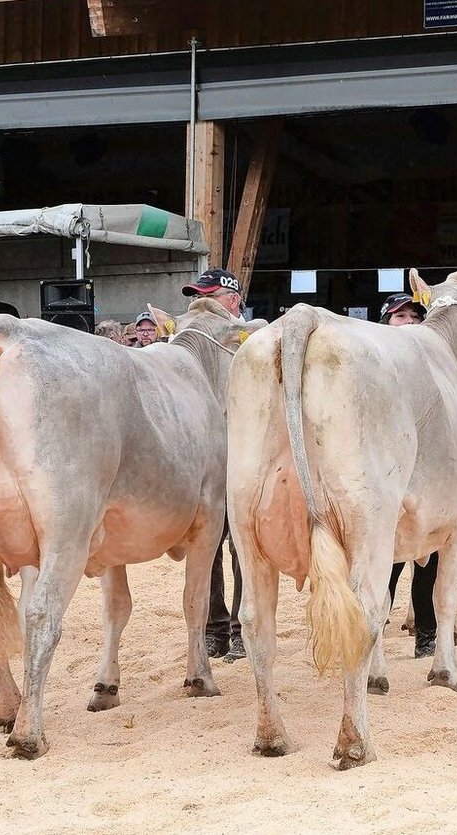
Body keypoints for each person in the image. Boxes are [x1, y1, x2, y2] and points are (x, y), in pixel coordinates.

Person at [182, 269, 250, 662]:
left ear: (232, 299)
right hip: (208, 456)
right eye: (196, 295)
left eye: (207, 295)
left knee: (243, 547)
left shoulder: (247, 337)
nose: (198, 302)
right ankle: (215, 628)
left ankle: (240, 627)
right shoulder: (191, 337)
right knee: (204, 545)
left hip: (241, 453)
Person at [377, 292, 441, 654]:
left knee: (428, 561)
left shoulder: (433, 371)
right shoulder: (377, 368)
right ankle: (376, 635)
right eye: (400, 316)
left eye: (415, 316)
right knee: (385, 565)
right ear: (385, 323)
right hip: (387, 481)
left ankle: (426, 638)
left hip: (426, 478)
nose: (409, 322)